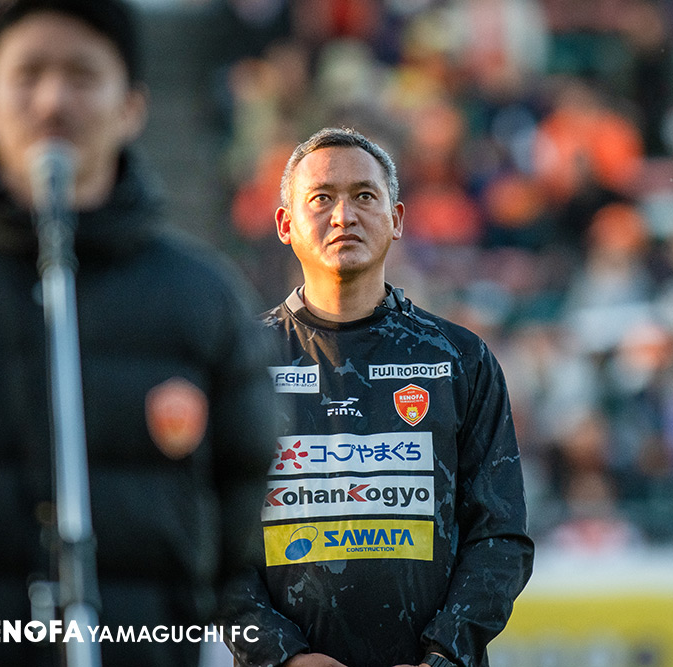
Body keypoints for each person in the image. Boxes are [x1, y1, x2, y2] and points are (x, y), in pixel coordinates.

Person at [0, 1, 276, 665]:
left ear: (132, 106)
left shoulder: (203, 300)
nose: (53, 101)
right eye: (28, 74)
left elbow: (245, 512)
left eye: (82, 75)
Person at [221, 127, 534, 667]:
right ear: (285, 224)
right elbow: (209, 540)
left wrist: (443, 655)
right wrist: (283, 657)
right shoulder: (240, 361)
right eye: (321, 198)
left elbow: (500, 537)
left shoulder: (460, 358)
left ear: (396, 219)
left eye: (365, 196)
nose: (344, 216)